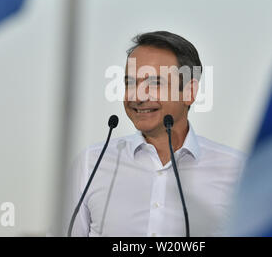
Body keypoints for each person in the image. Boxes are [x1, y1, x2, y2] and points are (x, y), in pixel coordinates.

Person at [68, 31, 246, 236]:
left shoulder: (236, 170)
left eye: (154, 83)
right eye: (130, 83)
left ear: (189, 92)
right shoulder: (91, 164)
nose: (137, 96)